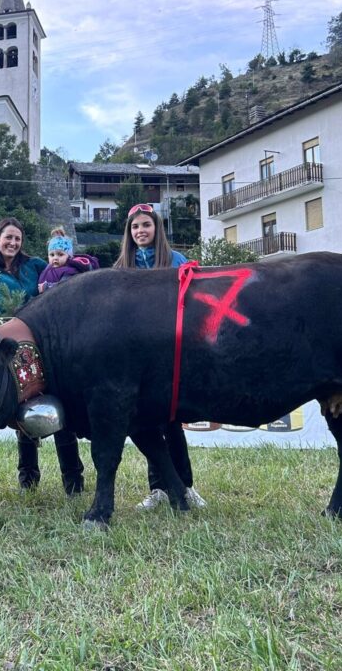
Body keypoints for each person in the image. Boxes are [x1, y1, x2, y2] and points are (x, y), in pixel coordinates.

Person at [0, 217, 85, 495]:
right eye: (8, 237)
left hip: (47, 347)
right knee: (21, 415)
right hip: (13, 354)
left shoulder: (37, 266)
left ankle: (73, 479)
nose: (13, 243)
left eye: (17, 238)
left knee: (62, 410)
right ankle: (28, 479)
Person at [112, 202, 205, 511]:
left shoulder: (176, 260)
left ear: (156, 228)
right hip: (137, 358)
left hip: (171, 352)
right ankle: (158, 490)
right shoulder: (121, 266)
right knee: (147, 423)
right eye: (135, 227)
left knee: (172, 422)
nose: (141, 231)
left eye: (146, 225)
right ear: (129, 232)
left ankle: (187, 486)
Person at [37, 227, 99, 293]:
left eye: (60, 255)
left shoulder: (69, 270)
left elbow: (66, 287)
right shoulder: (48, 268)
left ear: (69, 256)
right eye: (52, 255)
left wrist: (46, 287)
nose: (55, 258)